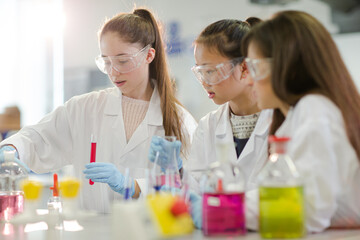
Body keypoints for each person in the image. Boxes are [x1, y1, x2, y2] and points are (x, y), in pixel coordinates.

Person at [0, 8, 197, 213]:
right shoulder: (85, 108)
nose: (113, 72)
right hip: (90, 231)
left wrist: (135, 185)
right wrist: (12, 149)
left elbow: (192, 187)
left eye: (122, 61)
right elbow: (39, 138)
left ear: (149, 55)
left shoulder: (179, 120)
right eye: (107, 62)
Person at [149, 18, 272, 228]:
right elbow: (194, 194)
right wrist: (176, 171)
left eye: (211, 71)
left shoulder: (280, 121)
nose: (205, 81)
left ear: (244, 68)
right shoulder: (208, 126)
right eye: (200, 72)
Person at [243, 10, 360, 232]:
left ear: (289, 66)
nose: (249, 80)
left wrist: (229, 209)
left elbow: (307, 209)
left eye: (255, 68)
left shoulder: (315, 110)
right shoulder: (298, 115)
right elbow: (278, 190)